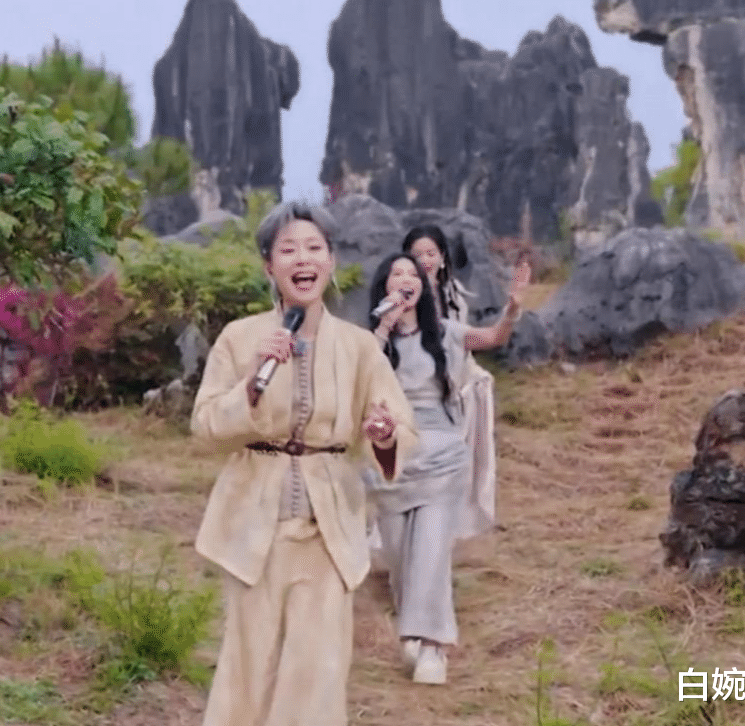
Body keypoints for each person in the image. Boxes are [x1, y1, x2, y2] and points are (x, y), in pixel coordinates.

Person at [191, 201, 419, 726]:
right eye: (288, 249)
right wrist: (251, 386)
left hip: (328, 530)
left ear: (331, 261)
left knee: (317, 672)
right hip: (252, 529)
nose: (303, 259)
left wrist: (383, 434)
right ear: (269, 265)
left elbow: (400, 427)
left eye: (315, 248)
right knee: (249, 669)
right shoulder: (240, 337)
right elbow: (205, 425)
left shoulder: (360, 347)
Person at [365, 248, 530, 685]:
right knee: (400, 557)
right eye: (395, 273)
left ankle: (432, 648)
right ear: (384, 287)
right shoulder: (370, 341)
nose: (405, 279)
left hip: (442, 455)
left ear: (422, 287)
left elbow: (492, 338)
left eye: (412, 274)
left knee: (431, 552)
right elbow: (358, 379)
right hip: (390, 459)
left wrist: (513, 309)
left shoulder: (447, 333)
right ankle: (413, 632)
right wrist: (383, 327)